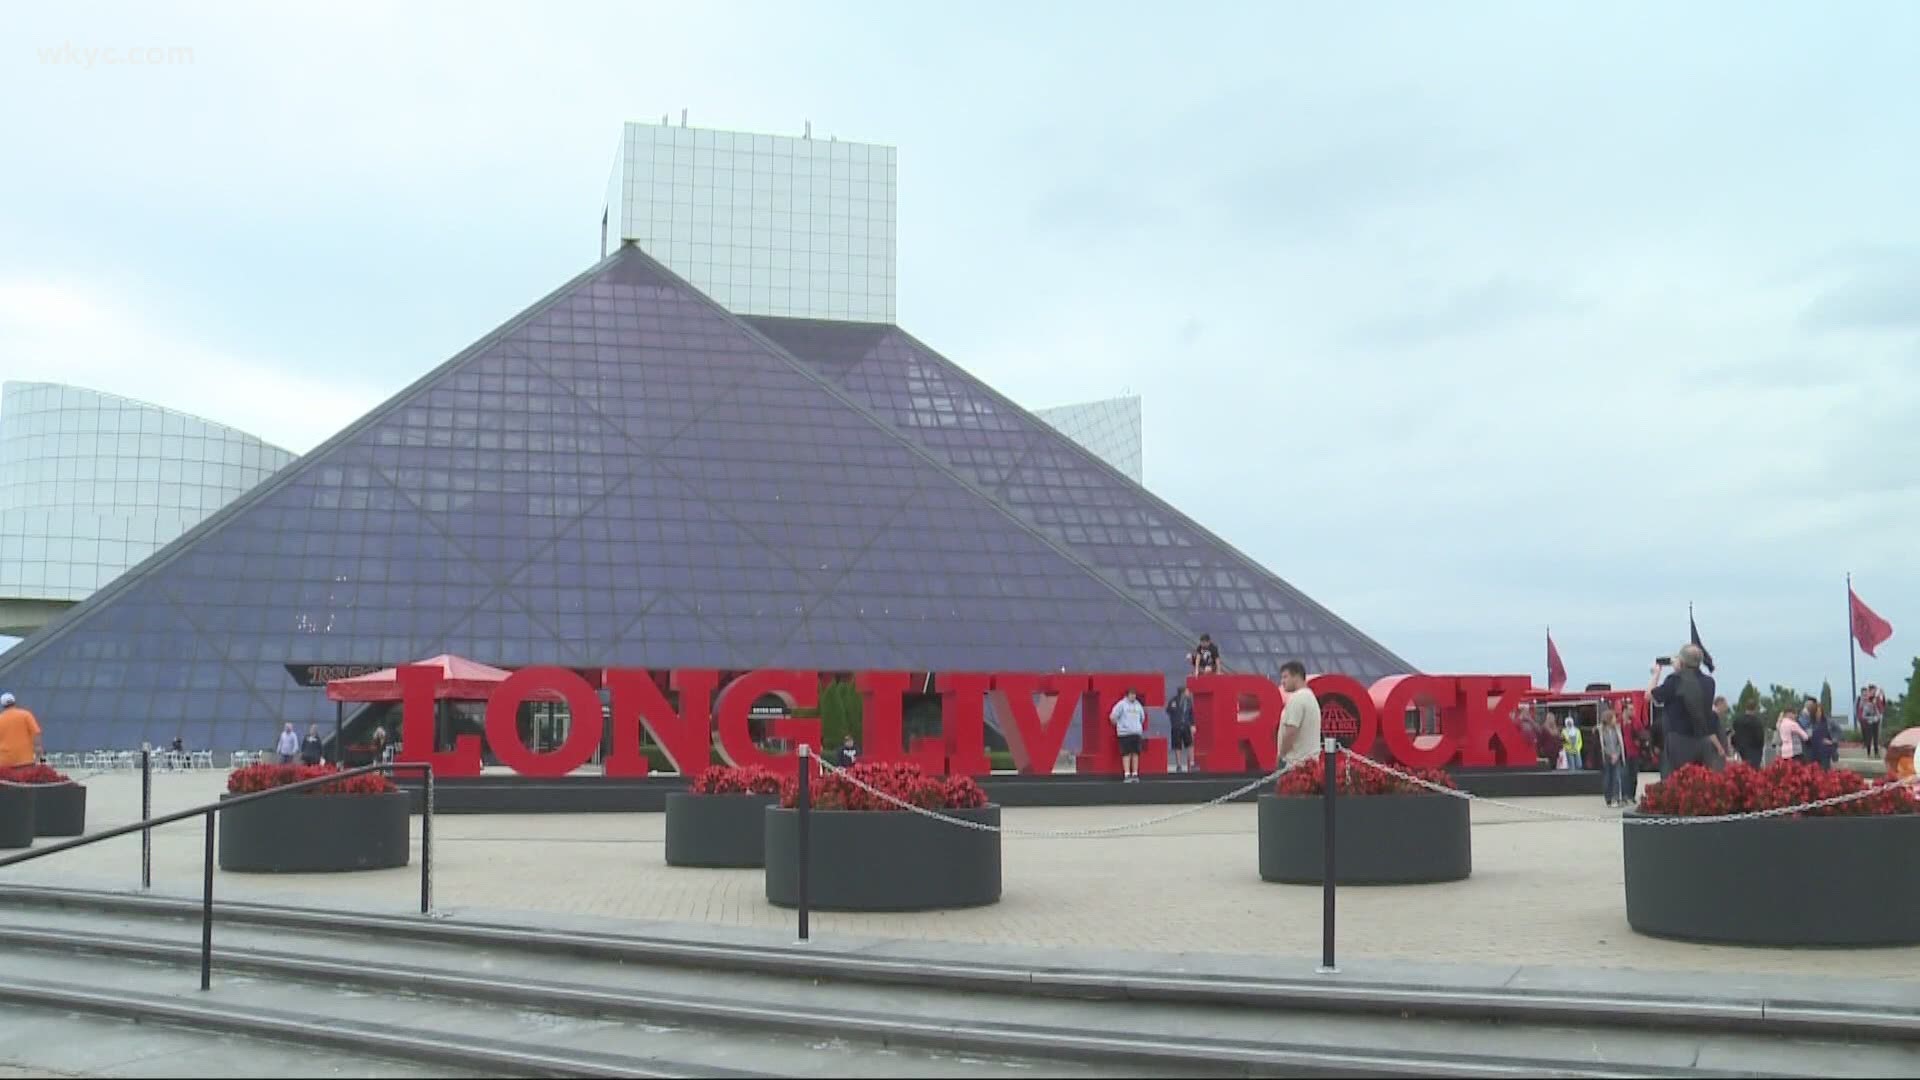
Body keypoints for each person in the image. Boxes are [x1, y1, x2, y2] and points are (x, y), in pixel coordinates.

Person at [1649, 645, 1725, 776]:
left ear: (1682, 661)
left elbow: (1650, 696)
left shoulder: (1674, 680)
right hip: (1702, 739)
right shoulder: (1709, 682)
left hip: (1678, 739)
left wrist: (1656, 674)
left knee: (1674, 781)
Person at [1275, 660, 1322, 767]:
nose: (1282, 681)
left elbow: (1291, 731)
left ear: (1296, 676)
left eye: (1285, 677)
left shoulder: (1297, 699)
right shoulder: (1310, 697)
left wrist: (1281, 755)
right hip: (1310, 763)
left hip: (1295, 764)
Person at [1108, 688, 1148, 782]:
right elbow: (1113, 716)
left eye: (1134, 694)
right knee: (1126, 754)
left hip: (1136, 733)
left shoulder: (1138, 705)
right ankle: (1127, 774)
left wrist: (1137, 727)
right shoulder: (1121, 704)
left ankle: (1135, 774)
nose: (1133, 696)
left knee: (1136, 753)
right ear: (1127, 695)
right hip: (1125, 734)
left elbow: (1142, 718)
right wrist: (1121, 726)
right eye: (1131, 694)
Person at [0, 692, 42, 768]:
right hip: (26, 761)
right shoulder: (26, 715)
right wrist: (38, 753)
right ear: (14, 702)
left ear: (2, 705)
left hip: (4, 763)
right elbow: (36, 733)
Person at [1598, 708, 1628, 807]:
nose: (1616, 719)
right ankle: (1608, 798)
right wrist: (1610, 754)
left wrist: (1617, 754)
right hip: (1607, 757)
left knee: (1617, 778)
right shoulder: (1601, 730)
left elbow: (1619, 743)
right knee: (1607, 778)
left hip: (1617, 756)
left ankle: (1616, 798)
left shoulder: (1617, 729)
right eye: (1614, 717)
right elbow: (1603, 746)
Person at [1165, 686, 1196, 773]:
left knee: (1190, 744)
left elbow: (1191, 714)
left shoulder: (1189, 701)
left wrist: (1192, 724)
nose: (1188, 693)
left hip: (1186, 725)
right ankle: (1179, 765)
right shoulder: (1173, 701)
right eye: (1187, 691)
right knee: (1177, 746)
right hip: (1176, 727)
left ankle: (1192, 763)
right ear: (1182, 692)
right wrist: (1174, 719)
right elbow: (1168, 710)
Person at [1803, 698, 1837, 771]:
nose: (1819, 713)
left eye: (1820, 711)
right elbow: (1806, 740)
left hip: (1824, 754)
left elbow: (1835, 733)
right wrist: (1807, 737)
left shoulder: (1827, 723)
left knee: (1825, 774)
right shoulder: (1810, 724)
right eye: (1817, 711)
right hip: (1813, 754)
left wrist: (1832, 741)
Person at [1730, 702, 1766, 768]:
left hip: (1740, 750)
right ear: (1755, 709)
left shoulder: (1737, 721)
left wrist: (1734, 745)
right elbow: (1760, 737)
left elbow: (1733, 734)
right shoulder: (1757, 722)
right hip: (1754, 751)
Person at [1860, 685, 1887, 759]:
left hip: (1876, 722)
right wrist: (1871, 718)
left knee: (1876, 738)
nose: (1875, 700)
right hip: (1869, 723)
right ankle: (1868, 753)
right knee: (1869, 738)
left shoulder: (1876, 704)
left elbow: (1879, 711)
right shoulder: (1867, 705)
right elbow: (1863, 715)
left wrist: (1877, 717)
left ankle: (1876, 753)